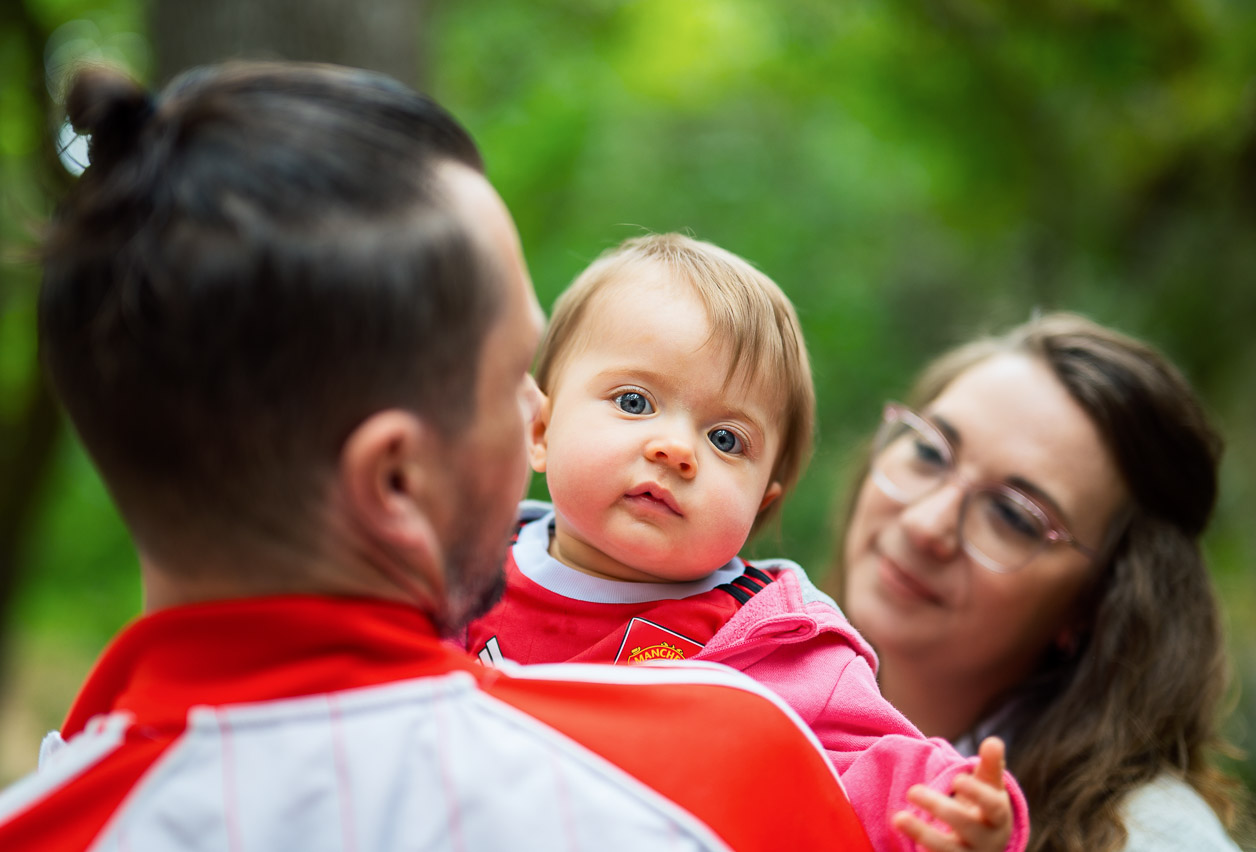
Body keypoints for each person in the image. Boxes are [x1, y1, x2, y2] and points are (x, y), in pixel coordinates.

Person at [0, 61, 877, 852]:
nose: (540, 411)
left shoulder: (42, 819)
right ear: (397, 480)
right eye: (510, 379)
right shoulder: (725, 772)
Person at [464, 233, 1030, 852]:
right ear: (540, 429)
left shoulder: (774, 640)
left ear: (762, 505)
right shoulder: (462, 563)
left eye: (726, 440)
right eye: (635, 401)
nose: (676, 450)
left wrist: (950, 812)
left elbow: (866, 761)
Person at [837, 312, 1251, 852]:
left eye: (1014, 516)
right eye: (929, 451)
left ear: (1095, 604)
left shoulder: (1153, 837)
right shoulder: (741, 672)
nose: (924, 524)